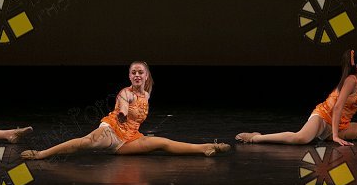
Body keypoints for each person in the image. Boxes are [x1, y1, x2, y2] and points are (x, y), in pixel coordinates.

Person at [20, 61, 231, 159]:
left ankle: (205, 147)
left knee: (162, 143)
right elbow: (123, 104)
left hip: (128, 140)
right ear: (129, 76)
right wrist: (121, 114)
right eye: (133, 72)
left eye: (140, 72)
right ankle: (42, 154)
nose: (137, 75)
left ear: (146, 76)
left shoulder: (146, 94)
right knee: (85, 142)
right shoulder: (126, 93)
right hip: (112, 131)